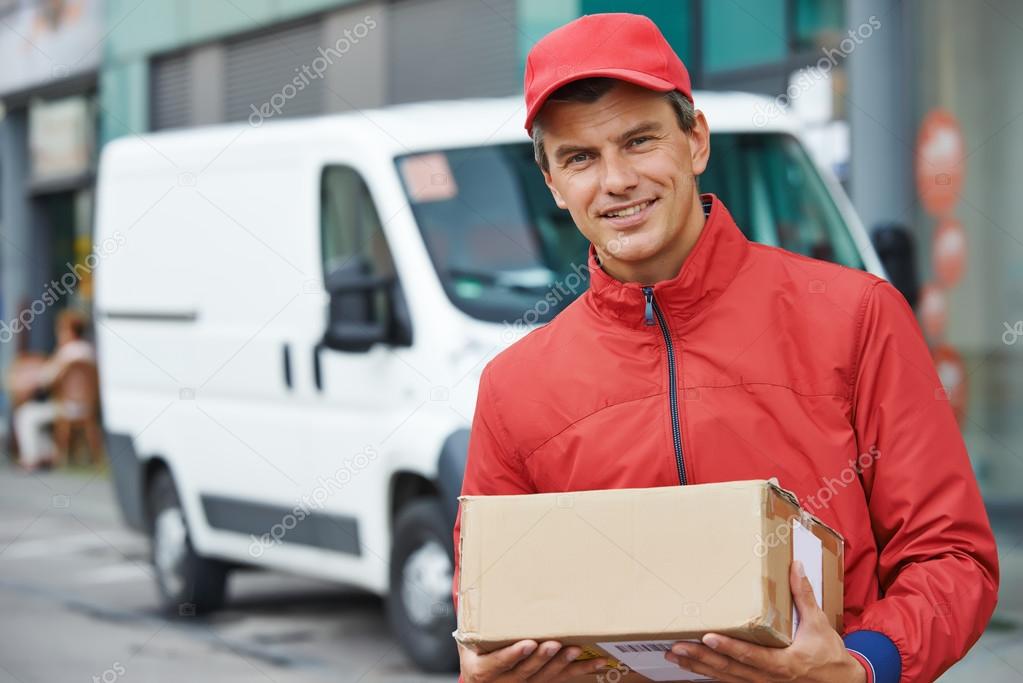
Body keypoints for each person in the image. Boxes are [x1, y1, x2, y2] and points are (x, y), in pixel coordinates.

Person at [451, 13, 998, 683]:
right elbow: (489, 601)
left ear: (695, 142)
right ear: (553, 185)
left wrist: (860, 665)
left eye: (639, 140)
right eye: (580, 158)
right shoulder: (515, 384)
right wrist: (493, 663)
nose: (616, 179)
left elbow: (951, 558)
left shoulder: (855, 316)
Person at [13, 308, 96, 470]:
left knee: (26, 414)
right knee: (37, 415)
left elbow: (47, 379)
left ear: (70, 331)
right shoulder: (90, 351)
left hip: (66, 407)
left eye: (61, 329)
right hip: (88, 408)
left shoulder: (66, 353)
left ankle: (32, 458)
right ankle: (49, 453)